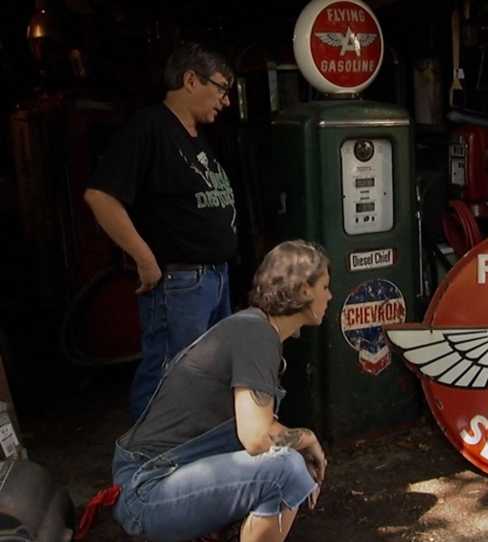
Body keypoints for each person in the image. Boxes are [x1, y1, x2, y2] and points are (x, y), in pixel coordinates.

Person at [111, 240, 331, 542]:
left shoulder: (252, 328)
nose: (329, 296)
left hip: (159, 480)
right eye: (325, 287)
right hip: (147, 490)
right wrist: (308, 438)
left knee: (290, 461)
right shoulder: (257, 334)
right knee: (286, 469)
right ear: (305, 290)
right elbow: (257, 437)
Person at [83, 42, 238, 420]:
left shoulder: (195, 136)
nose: (225, 101)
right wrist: (145, 258)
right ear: (190, 80)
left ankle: (189, 467)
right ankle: (145, 469)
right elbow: (100, 195)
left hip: (214, 277)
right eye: (221, 89)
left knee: (207, 377)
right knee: (169, 376)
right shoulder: (149, 127)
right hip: (180, 280)